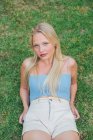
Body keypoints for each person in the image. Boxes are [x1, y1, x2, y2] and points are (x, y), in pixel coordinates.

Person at [19, 22, 80, 140]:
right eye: (36, 45)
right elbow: (24, 88)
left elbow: (73, 84)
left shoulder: (69, 63)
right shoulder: (28, 65)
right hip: (36, 114)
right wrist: (26, 108)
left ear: (55, 43)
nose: (41, 50)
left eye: (45, 43)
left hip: (63, 114)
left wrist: (71, 103)